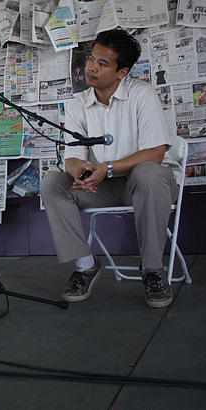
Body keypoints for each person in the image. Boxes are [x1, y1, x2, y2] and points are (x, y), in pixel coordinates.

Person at [41, 28, 180, 308]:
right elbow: (73, 156)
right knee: (52, 183)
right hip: (103, 186)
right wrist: (81, 173)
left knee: (148, 171)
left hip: (146, 187)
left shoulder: (143, 94)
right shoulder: (78, 105)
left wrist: (109, 167)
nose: (91, 67)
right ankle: (86, 265)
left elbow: (155, 153)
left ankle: (153, 269)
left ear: (122, 72)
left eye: (102, 64)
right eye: (91, 58)